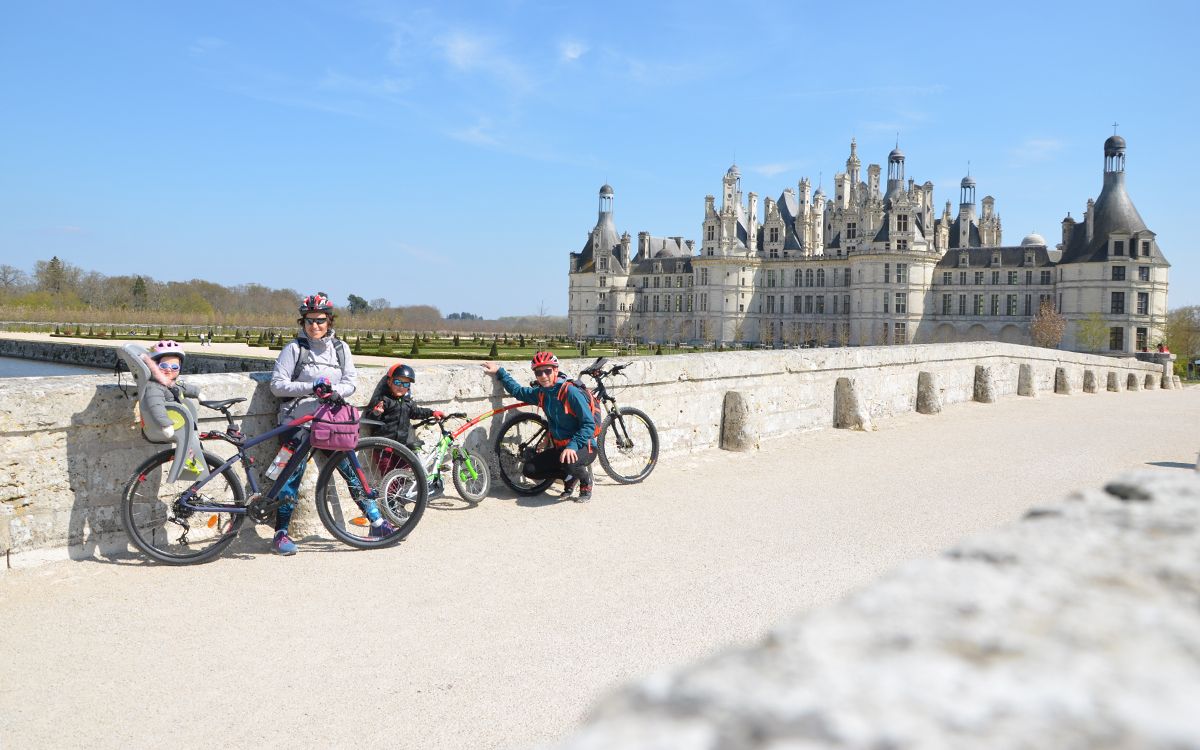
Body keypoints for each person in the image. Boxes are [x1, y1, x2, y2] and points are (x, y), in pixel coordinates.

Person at [268, 292, 390, 555]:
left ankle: (377, 521)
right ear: (302, 322)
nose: (314, 326)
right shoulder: (294, 349)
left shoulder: (340, 349)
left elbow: (350, 381)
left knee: (351, 469)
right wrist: (312, 387)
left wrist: (336, 391)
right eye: (309, 321)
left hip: (330, 422)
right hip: (298, 422)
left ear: (329, 322)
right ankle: (280, 533)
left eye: (320, 320)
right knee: (289, 476)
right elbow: (278, 386)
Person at [481, 351, 596, 502]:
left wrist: (572, 446)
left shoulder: (571, 392)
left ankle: (585, 480)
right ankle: (569, 477)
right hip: (560, 448)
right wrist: (499, 372)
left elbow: (589, 425)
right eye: (538, 372)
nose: (543, 376)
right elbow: (518, 391)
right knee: (530, 470)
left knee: (570, 462)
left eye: (547, 371)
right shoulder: (542, 393)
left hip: (584, 447)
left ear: (555, 370)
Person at [364, 362, 447, 496]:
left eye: (406, 384)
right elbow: (369, 419)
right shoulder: (384, 400)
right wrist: (376, 412)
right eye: (398, 382)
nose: (401, 387)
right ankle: (389, 502)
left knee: (403, 473)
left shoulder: (407, 402)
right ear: (389, 381)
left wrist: (432, 412)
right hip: (384, 447)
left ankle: (399, 499)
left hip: (401, 447)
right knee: (389, 475)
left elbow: (416, 412)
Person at [140, 339, 199, 440]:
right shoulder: (155, 387)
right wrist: (166, 424)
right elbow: (155, 405)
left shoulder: (169, 383)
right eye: (163, 365)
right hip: (173, 424)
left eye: (175, 367)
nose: (169, 369)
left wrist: (197, 393)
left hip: (181, 421)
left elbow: (182, 387)